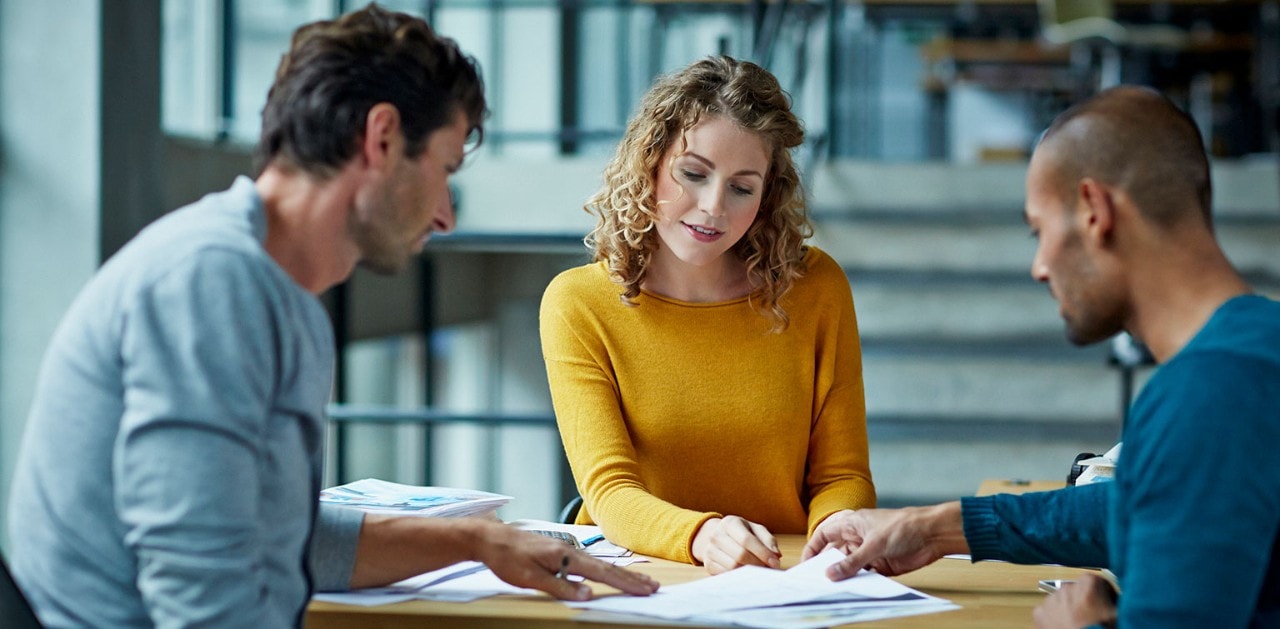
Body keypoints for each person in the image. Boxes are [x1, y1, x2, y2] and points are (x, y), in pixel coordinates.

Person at [6, 5, 655, 627]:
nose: (445, 217)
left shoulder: (276, 295)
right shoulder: (210, 283)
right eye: (444, 173)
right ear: (381, 138)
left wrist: (481, 540)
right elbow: (202, 594)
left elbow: (279, 536)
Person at [803, 86, 1280, 627]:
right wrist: (937, 525)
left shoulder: (1208, 396)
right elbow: (1142, 506)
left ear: (1095, 211)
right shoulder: (1257, 345)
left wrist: (1084, 625)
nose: (1039, 266)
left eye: (1041, 231)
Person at [540, 56, 876, 575]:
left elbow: (842, 475)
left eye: (742, 187)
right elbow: (609, 490)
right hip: (636, 577)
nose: (714, 206)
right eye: (693, 174)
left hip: (784, 576)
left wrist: (835, 534)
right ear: (647, 165)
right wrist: (701, 535)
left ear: (766, 196)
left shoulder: (816, 289)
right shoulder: (578, 303)